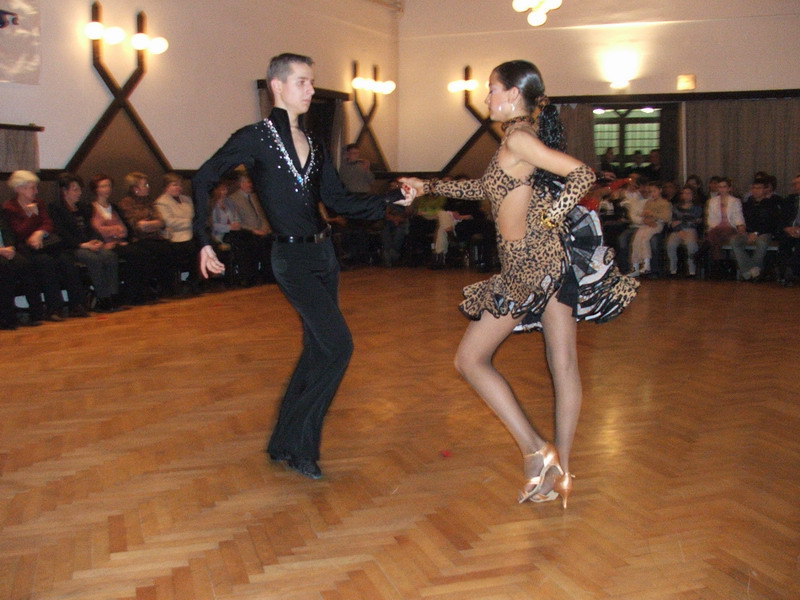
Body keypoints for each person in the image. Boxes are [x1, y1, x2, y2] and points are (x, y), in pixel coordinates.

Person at [401, 60, 638, 508]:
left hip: (530, 267)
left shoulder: (519, 138)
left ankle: (536, 451)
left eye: (492, 89)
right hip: (549, 263)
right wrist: (426, 184)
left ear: (512, 93)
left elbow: (583, 175)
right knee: (563, 364)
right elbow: (486, 189)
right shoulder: (520, 137)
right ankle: (560, 473)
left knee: (470, 359)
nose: (486, 97)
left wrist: (550, 217)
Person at [192, 53, 413, 480]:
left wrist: (390, 198)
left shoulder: (313, 142)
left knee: (318, 349)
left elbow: (339, 200)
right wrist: (203, 241)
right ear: (277, 86)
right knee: (339, 346)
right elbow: (202, 178)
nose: (311, 90)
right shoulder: (255, 138)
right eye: (303, 82)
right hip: (291, 259)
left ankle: (282, 442)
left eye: (312, 82)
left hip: (323, 255)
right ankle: (301, 445)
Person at [3, 170, 88, 320]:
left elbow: (48, 223)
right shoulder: (10, 207)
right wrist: (31, 216)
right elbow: (19, 232)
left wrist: (39, 233)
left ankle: (77, 304)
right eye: (32, 188)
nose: (36, 191)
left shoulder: (39, 203)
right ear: (20, 188)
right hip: (27, 249)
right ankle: (54, 308)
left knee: (65, 259)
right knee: (45, 262)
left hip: (46, 244)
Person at [50, 173, 122, 312]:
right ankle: (103, 298)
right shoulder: (56, 208)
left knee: (110, 256)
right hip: (72, 247)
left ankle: (113, 296)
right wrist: (82, 245)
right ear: (65, 191)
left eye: (80, 189)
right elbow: (62, 233)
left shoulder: (82, 207)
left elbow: (91, 228)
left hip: (88, 244)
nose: (79, 193)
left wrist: (96, 241)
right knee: (93, 259)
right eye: (75, 189)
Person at [88, 174, 154, 305]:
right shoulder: (91, 208)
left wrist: (114, 231)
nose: (107, 189)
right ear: (96, 189)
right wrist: (115, 230)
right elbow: (98, 229)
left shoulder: (114, 207)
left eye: (109, 186)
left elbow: (124, 229)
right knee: (135, 254)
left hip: (120, 243)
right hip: (105, 245)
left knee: (143, 253)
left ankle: (139, 292)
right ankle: (130, 294)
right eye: (103, 186)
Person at [117, 172, 177, 299]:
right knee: (150, 252)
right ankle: (148, 289)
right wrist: (152, 224)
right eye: (144, 185)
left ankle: (166, 289)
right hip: (138, 239)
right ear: (135, 188)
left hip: (154, 237)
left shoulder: (149, 202)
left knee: (169, 248)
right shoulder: (126, 203)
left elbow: (161, 222)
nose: (148, 187)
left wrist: (149, 224)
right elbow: (137, 226)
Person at [155, 172, 201, 294]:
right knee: (192, 246)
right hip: (174, 237)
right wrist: (189, 222)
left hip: (190, 233)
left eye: (180, 185)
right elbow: (169, 222)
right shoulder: (161, 202)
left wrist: (188, 222)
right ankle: (190, 282)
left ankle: (196, 280)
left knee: (204, 244)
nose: (178, 188)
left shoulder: (187, 199)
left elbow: (194, 216)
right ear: (166, 187)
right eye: (174, 185)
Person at [731, 177, 781, 281]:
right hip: (748, 232)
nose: (755, 190)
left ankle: (748, 273)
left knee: (762, 242)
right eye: (754, 188)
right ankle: (752, 271)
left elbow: (772, 223)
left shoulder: (771, 204)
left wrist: (756, 233)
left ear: (765, 190)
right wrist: (743, 229)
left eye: (759, 188)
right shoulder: (747, 204)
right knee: (734, 240)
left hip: (764, 232)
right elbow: (742, 219)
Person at [0, 211, 44, 328]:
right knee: (4, 267)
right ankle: (7, 318)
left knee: (25, 265)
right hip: (1, 253)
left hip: (6, 250)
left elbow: (8, 231)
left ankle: (36, 313)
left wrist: (10, 247)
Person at [227, 172, 273, 283]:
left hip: (262, 230)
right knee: (251, 244)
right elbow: (236, 221)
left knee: (272, 241)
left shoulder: (256, 196)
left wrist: (266, 228)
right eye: (248, 182)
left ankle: (268, 276)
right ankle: (250, 277)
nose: (251, 185)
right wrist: (254, 230)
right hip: (246, 232)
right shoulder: (233, 199)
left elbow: (263, 215)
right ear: (241, 184)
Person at [703, 177, 744, 278]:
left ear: (729, 188)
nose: (722, 189)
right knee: (715, 236)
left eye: (724, 187)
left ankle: (715, 262)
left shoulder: (735, 201)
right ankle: (719, 264)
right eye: (720, 187)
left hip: (731, 227)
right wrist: (714, 228)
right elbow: (711, 219)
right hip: (717, 229)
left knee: (713, 235)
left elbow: (738, 217)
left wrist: (741, 226)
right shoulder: (712, 201)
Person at [666, 185, 703, 276]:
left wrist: (681, 220)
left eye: (688, 193)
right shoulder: (676, 207)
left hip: (691, 229)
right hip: (677, 230)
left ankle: (692, 271)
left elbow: (695, 221)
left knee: (691, 245)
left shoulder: (697, 208)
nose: (686, 195)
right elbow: (673, 222)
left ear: (693, 195)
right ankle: (673, 270)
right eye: (684, 193)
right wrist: (679, 228)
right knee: (671, 245)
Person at [777, 173, 800, 286]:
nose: (796, 186)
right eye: (794, 184)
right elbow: (781, 218)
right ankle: (784, 273)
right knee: (784, 243)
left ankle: (792, 271)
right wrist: (787, 228)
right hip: (791, 230)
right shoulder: (789, 200)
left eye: (798, 183)